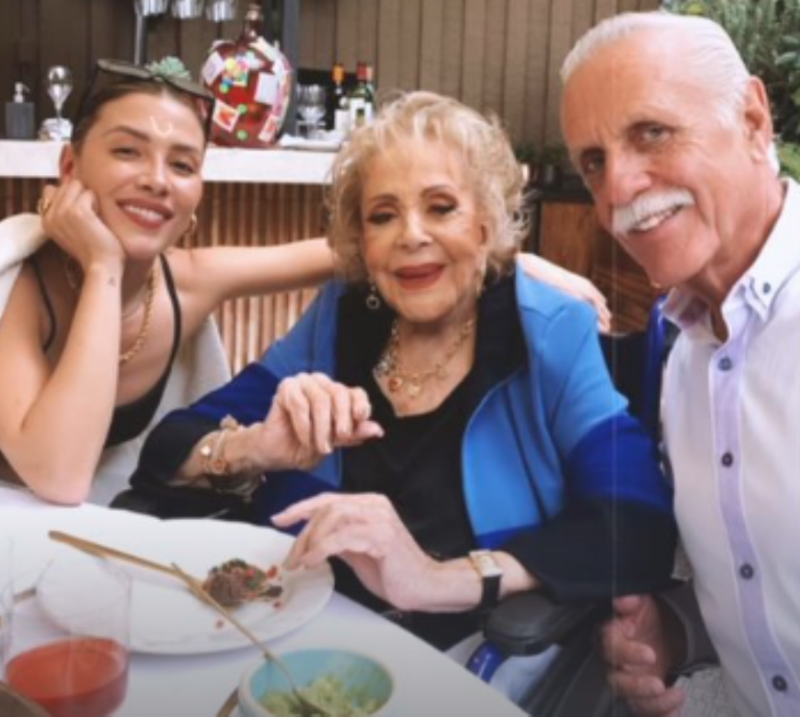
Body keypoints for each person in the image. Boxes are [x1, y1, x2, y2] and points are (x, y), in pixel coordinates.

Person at [129, 91, 676, 686]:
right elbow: (168, 448)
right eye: (382, 216)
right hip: (294, 636)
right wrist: (257, 446)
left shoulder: (546, 333)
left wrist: (439, 579)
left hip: (462, 656)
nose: (410, 235)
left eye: (441, 208)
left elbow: (638, 524)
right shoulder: (342, 317)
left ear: (485, 224)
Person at [0, 59, 612, 508]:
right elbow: (64, 475)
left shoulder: (188, 280)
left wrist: (504, 259)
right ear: (69, 167)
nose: (158, 180)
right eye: (128, 152)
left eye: (182, 163)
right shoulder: (20, 285)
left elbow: (370, 251)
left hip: (94, 533)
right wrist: (103, 266)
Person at [560, 12, 799, 717]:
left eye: (652, 133)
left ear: (752, 120)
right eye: (594, 162)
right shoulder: (684, 348)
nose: (618, 189)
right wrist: (681, 627)